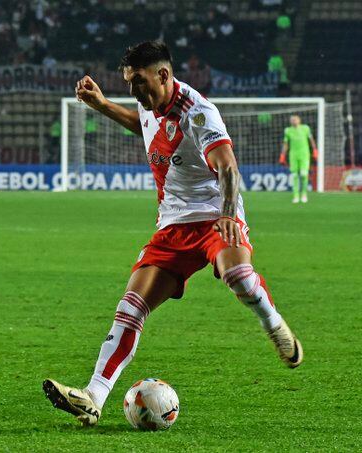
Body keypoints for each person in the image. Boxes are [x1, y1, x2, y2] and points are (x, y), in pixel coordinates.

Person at [43, 41, 303, 426]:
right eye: (128, 83)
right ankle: (93, 396)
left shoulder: (198, 113)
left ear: (164, 75)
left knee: (239, 278)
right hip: (172, 226)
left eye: (139, 82)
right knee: (131, 307)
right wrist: (102, 105)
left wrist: (229, 214)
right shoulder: (150, 105)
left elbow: (227, 167)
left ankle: (274, 323)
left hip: (215, 216)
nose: (133, 91)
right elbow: (145, 128)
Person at [280, 115, 317, 203]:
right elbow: (285, 144)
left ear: (299, 120)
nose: (293, 121)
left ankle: (304, 194)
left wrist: (315, 150)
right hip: (293, 155)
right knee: (295, 176)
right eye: (292, 120)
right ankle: (296, 196)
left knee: (304, 174)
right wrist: (282, 155)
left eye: (295, 119)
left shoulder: (305, 128)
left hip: (304, 154)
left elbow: (311, 139)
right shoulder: (288, 130)